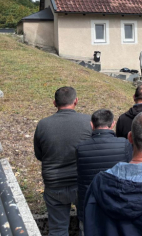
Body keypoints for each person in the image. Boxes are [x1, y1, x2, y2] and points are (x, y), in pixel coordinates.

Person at [33, 87, 91, 236]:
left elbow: (40, 155)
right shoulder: (88, 121)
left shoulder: (43, 125)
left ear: (54, 103)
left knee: (58, 229)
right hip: (82, 183)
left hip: (54, 184)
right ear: (76, 101)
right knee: (87, 225)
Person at [76, 109, 132, 236]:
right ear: (113, 124)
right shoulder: (124, 144)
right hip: (116, 204)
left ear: (92, 124)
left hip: (89, 205)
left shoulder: (81, 147)